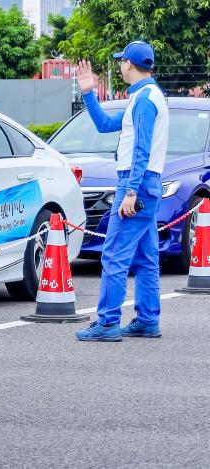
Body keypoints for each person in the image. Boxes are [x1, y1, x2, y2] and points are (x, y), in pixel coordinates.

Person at [75, 41, 169, 342]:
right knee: (146, 257)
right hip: (147, 183)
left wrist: (129, 192)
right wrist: (88, 92)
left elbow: (140, 148)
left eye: (121, 61)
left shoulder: (143, 100)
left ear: (129, 63)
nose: (119, 65)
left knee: (114, 254)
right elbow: (104, 125)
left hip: (136, 183)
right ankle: (147, 320)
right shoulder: (147, 96)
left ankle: (107, 323)